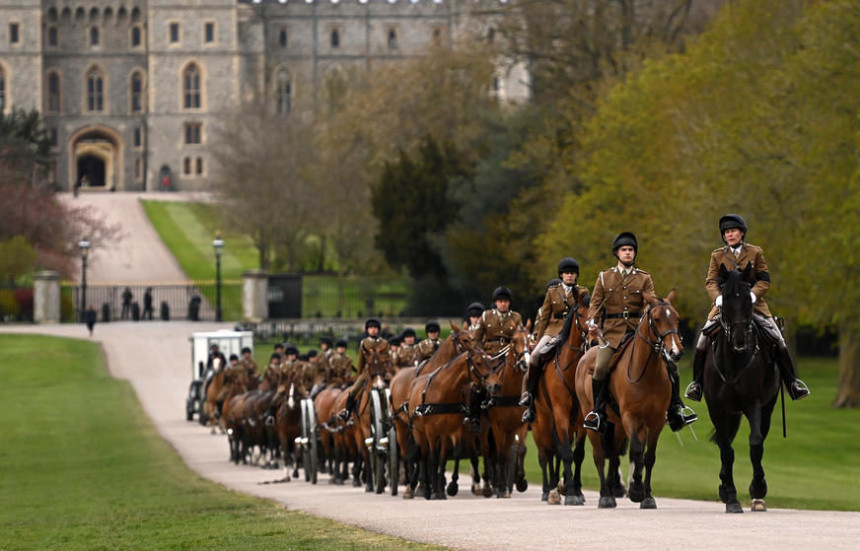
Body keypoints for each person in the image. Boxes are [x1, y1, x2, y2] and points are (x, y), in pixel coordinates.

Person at [685, 214, 810, 402]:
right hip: (724, 307)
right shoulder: (717, 255)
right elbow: (710, 281)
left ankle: (792, 383)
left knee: (779, 340)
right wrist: (718, 298)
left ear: (742, 233)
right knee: (701, 342)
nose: (730, 234)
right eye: (727, 232)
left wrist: (753, 295)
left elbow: (764, 280)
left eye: (733, 231)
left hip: (754, 307)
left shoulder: (755, 252)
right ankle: (697, 385)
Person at [583, 232, 697, 433]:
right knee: (600, 367)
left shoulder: (644, 278)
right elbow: (594, 305)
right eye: (624, 250)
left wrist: (653, 310)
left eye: (631, 250)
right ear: (617, 253)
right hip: (611, 333)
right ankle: (598, 413)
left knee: (670, 365)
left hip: (638, 332)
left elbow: (651, 302)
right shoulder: (604, 277)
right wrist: (592, 321)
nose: (628, 253)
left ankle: (675, 410)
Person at [520, 258, 589, 423]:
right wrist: (538, 339)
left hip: (574, 332)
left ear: (576, 275)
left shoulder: (583, 292)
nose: (570, 276)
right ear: (561, 275)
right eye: (567, 273)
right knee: (535, 356)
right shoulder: (552, 291)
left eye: (572, 273)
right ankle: (529, 396)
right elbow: (544, 317)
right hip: (553, 331)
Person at [467, 287, 524, 431]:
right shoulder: (486, 316)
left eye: (505, 301)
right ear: (495, 303)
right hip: (489, 356)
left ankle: (528, 408)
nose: (503, 304)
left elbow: (520, 337)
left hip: (509, 354)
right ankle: (475, 416)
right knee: (477, 384)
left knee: (525, 375)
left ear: (509, 303)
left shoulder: (516, 317)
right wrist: (482, 354)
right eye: (500, 301)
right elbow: (476, 340)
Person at [338, 318, 390, 420]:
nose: (373, 330)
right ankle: (347, 411)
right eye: (370, 328)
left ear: (378, 330)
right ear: (367, 330)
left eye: (375, 328)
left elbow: (388, 359)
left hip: (382, 371)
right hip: (367, 371)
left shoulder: (384, 343)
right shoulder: (364, 343)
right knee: (353, 390)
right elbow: (361, 361)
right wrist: (359, 375)